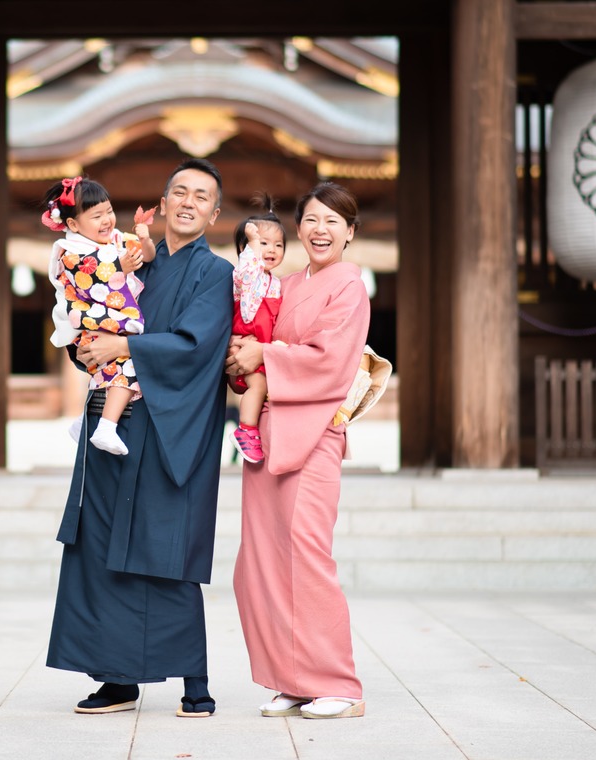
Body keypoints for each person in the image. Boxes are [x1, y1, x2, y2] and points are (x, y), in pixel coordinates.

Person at [46, 158, 234, 719]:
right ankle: (116, 677)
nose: (187, 201)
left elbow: (196, 345)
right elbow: (94, 326)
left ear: (214, 212)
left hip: (171, 429)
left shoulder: (214, 273)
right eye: (179, 190)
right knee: (103, 550)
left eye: (201, 196)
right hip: (114, 419)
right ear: (164, 198)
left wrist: (123, 350)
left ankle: (194, 682)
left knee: (165, 551)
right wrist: (88, 351)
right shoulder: (127, 260)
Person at [225, 181, 370, 720]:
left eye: (333, 221)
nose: (320, 230)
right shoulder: (283, 283)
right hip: (266, 428)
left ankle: (338, 682)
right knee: (261, 560)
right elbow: (250, 321)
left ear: (350, 233)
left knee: (307, 555)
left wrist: (266, 352)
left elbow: (331, 359)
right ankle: (293, 677)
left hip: (312, 432)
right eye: (311, 219)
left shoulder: (349, 288)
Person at [43, 176, 156, 456]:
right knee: (127, 368)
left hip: (107, 321)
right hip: (90, 320)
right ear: (73, 224)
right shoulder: (70, 252)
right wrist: (120, 268)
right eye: (96, 215)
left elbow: (149, 257)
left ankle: (84, 423)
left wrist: (144, 239)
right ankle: (106, 426)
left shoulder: (115, 240)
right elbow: (90, 278)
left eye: (108, 211)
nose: (107, 220)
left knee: (112, 370)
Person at [227, 196, 286, 464]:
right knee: (258, 385)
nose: (271, 249)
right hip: (246, 344)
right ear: (245, 249)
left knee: (265, 388)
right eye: (264, 243)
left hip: (263, 351)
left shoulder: (275, 282)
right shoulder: (246, 275)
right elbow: (247, 274)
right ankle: (246, 429)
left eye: (278, 244)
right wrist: (252, 244)